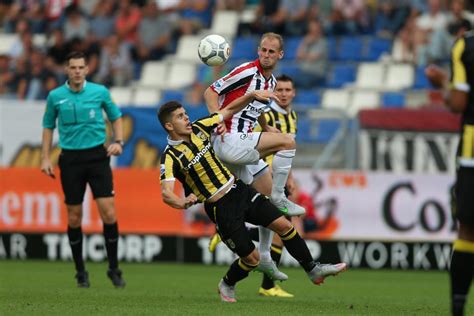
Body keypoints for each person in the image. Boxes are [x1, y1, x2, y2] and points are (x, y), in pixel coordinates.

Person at [157, 98, 347, 303]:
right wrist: (182, 202)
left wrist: (252, 94)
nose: (186, 118)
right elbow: (167, 193)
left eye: (185, 114)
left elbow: (229, 109)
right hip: (220, 208)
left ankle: (313, 269)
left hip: (240, 191)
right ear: (169, 126)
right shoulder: (170, 157)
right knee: (251, 259)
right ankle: (227, 283)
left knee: (284, 225)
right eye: (180, 116)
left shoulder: (201, 128)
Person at [204, 32, 306, 281]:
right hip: (228, 139)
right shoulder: (247, 71)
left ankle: (264, 257)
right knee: (288, 141)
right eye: (263, 50)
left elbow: (255, 107)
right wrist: (217, 119)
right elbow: (210, 91)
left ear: (280, 55)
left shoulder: (269, 83)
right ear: (258, 50)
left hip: (242, 144)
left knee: (268, 202)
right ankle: (280, 200)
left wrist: (266, 126)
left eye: (271, 51)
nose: (266, 55)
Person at [40, 51, 125, 289]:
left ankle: (113, 268)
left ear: (87, 70)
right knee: (74, 216)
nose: (77, 71)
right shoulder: (55, 96)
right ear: (66, 70)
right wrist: (45, 157)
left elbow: (116, 117)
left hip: (97, 157)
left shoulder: (100, 92)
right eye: (73, 67)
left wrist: (118, 141)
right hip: (70, 160)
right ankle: (80, 272)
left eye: (81, 67)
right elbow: (47, 127)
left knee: (108, 213)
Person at [425, 23, 473, 316]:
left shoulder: (465, 45)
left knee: (468, 230)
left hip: (472, 151)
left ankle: (458, 308)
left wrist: (444, 81)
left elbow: (458, 103)